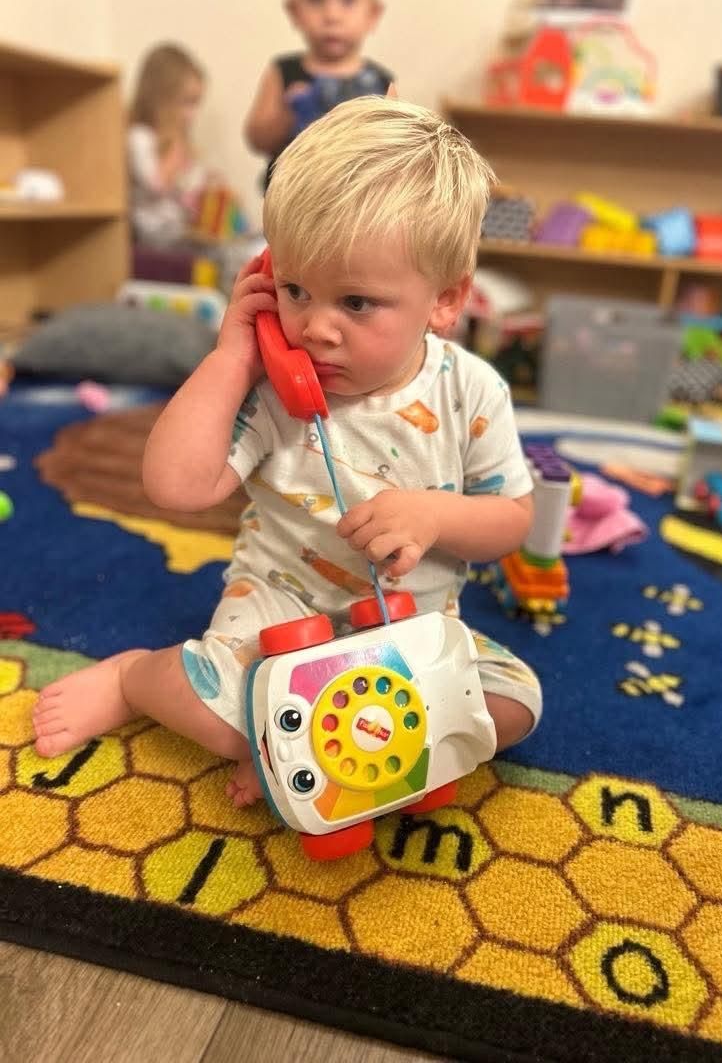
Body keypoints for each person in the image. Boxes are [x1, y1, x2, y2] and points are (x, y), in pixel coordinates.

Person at [33, 97, 542, 810]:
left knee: (514, 706)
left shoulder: (471, 389)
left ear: (445, 300)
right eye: (296, 291)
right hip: (280, 606)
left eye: (357, 303)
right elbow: (177, 487)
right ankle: (132, 679)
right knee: (225, 722)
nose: (316, 328)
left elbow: (513, 519)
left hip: (407, 626)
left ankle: (294, 748)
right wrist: (232, 360)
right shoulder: (276, 388)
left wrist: (433, 515)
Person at [244, 0, 395, 189]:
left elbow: (394, 146)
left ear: (373, 14)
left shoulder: (380, 80)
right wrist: (288, 112)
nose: (332, 15)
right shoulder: (284, 71)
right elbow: (257, 139)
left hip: (356, 199)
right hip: (290, 196)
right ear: (294, 11)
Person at [128, 43, 208, 245]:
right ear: (161, 98)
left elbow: (188, 190)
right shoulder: (140, 138)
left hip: (179, 235)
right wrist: (174, 153)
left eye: (196, 104)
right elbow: (155, 184)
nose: (192, 115)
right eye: (187, 102)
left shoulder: (180, 142)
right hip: (149, 240)